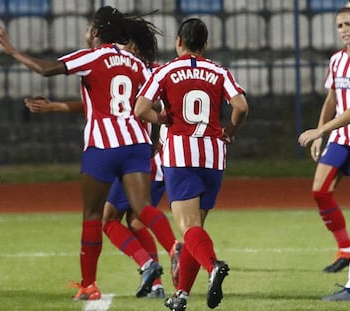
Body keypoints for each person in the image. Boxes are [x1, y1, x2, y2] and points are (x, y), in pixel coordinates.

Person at [0, 6, 179, 300]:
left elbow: (46, 70)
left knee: (94, 216)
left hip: (102, 147)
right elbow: (152, 106)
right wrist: (157, 130)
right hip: (135, 144)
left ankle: (89, 285)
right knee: (143, 207)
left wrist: (14, 52)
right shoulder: (137, 64)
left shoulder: (92, 56)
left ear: (95, 32)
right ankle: (173, 247)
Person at [135, 18, 249, 310]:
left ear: (178, 42)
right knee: (195, 228)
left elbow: (140, 108)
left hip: (181, 155)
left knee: (188, 228)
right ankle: (181, 295)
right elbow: (241, 107)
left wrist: (159, 119)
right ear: (205, 44)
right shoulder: (219, 71)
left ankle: (213, 267)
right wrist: (231, 132)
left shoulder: (165, 71)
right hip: (213, 154)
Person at [299, 9, 350, 301]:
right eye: (339, 25)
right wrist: (322, 131)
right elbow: (332, 99)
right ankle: (347, 252)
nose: (344, 30)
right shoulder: (336, 60)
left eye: (348, 24)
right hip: (342, 137)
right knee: (324, 192)